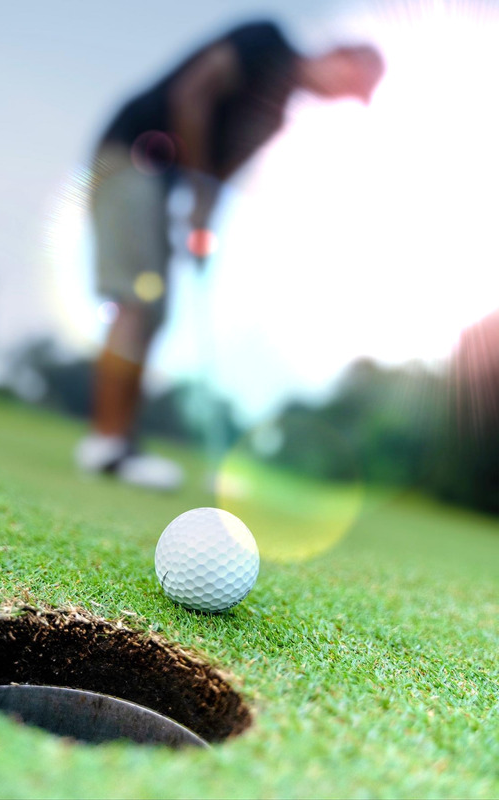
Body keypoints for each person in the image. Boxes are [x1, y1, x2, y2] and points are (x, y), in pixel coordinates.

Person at [75, 19, 384, 490]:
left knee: (156, 311)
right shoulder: (266, 40)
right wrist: (196, 188)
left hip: (166, 181)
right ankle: (107, 443)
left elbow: (220, 175)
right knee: (138, 298)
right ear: (336, 55)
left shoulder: (275, 116)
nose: (343, 95)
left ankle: (121, 443)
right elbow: (191, 94)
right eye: (352, 82)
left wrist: (203, 228)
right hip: (130, 154)